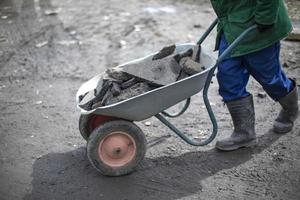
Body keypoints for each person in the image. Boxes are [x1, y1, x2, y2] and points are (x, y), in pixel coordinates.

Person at [210, 0, 299, 151]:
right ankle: (244, 133)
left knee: (270, 78)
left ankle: (291, 109)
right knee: (228, 76)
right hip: (233, 26)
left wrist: (265, 18)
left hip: (258, 28)